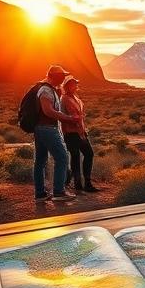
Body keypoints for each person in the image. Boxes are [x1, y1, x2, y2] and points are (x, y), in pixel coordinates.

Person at [34, 65, 79, 202]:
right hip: (47, 129)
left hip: (42, 128)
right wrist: (68, 118)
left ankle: (40, 194)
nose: (63, 78)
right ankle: (59, 192)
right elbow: (48, 111)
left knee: (41, 161)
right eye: (61, 76)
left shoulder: (48, 89)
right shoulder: (46, 90)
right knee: (62, 157)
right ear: (53, 76)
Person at [60, 76, 99, 192]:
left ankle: (86, 183)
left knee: (88, 154)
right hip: (71, 133)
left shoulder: (75, 98)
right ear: (67, 86)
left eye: (76, 84)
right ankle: (78, 185)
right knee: (76, 156)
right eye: (73, 84)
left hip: (80, 132)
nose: (76, 86)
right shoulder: (64, 99)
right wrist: (74, 118)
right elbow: (61, 116)